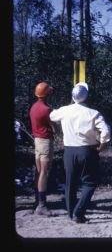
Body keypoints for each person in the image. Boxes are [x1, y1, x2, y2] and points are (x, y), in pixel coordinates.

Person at [50, 82, 110, 223]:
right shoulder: (94, 113)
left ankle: (71, 213)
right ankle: (79, 212)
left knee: (70, 183)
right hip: (87, 150)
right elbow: (106, 131)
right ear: (87, 96)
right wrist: (102, 144)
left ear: (72, 96)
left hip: (69, 150)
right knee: (89, 183)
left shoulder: (65, 111)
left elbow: (52, 116)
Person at [29, 82, 54, 216]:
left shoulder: (33, 107)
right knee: (44, 172)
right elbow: (54, 127)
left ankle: (37, 201)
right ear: (47, 93)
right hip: (45, 142)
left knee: (39, 172)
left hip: (37, 141)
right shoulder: (47, 109)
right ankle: (42, 205)